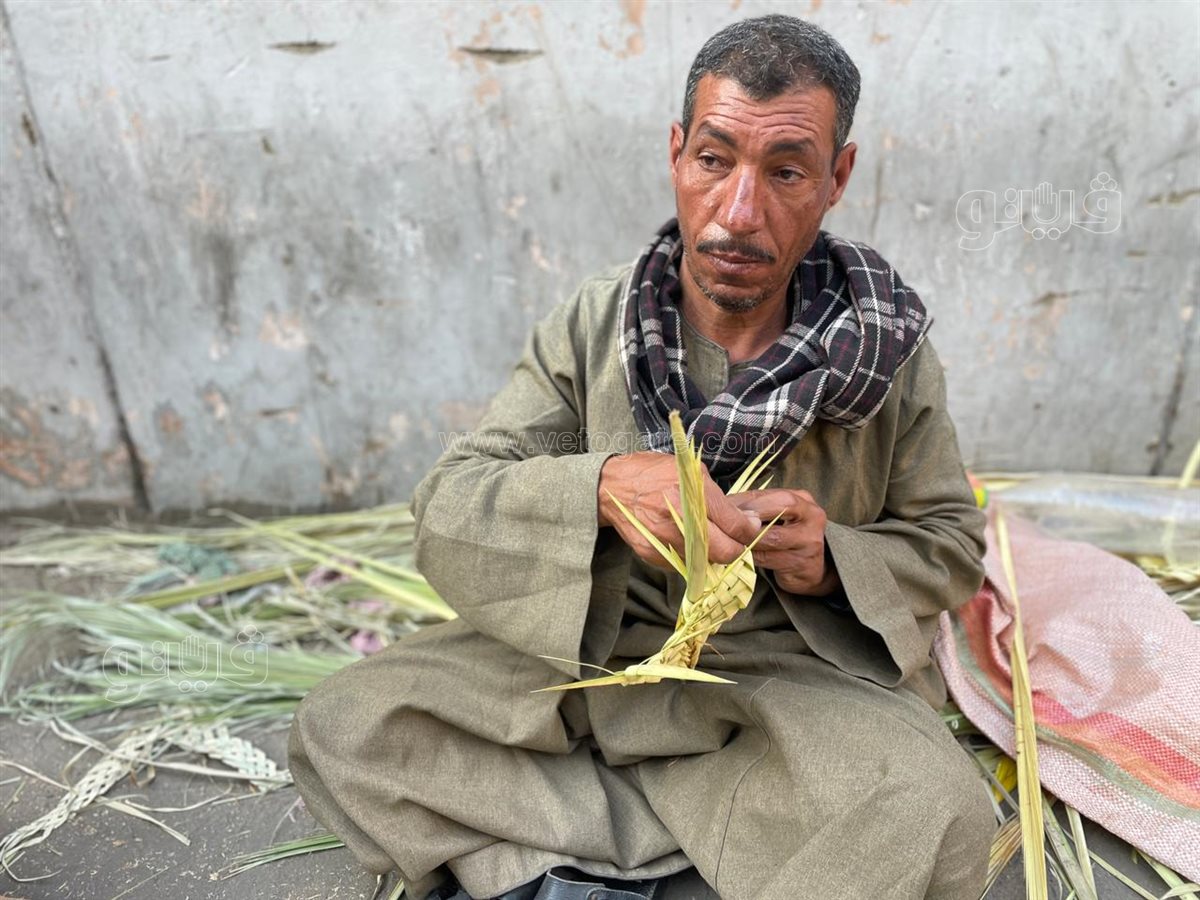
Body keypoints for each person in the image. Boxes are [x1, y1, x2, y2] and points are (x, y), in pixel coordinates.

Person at [289, 15, 996, 900]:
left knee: (935, 809)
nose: (738, 213)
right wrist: (599, 486)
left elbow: (949, 544)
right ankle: (725, 842)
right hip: (592, 661)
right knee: (348, 722)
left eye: (785, 172)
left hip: (786, 682)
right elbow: (452, 499)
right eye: (714, 160)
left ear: (836, 178)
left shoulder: (885, 350)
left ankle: (558, 860)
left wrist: (830, 560)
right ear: (676, 153)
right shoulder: (596, 324)